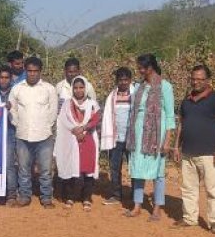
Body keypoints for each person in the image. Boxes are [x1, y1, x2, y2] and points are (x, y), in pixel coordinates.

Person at [172, 65, 215, 233]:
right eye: (193, 78)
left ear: (208, 80)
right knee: (188, 188)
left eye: (200, 79)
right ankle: (189, 218)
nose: (195, 82)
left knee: (213, 189)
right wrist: (177, 146)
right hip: (188, 153)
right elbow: (181, 125)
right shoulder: (186, 101)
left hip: (210, 154)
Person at [124, 54, 175, 221]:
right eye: (138, 67)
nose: (139, 70)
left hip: (156, 135)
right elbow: (133, 112)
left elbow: (169, 115)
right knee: (137, 169)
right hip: (138, 134)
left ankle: (157, 207)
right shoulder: (139, 87)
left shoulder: (165, 86)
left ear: (151, 67)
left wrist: (167, 139)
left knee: (158, 171)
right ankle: (137, 205)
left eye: (142, 68)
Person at [8, 57, 58, 208]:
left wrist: (46, 127)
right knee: (23, 169)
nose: (32, 74)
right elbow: (12, 110)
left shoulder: (49, 89)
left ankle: (46, 197)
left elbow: (53, 112)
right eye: (29, 71)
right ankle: (24, 196)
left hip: (44, 136)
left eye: (35, 71)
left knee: (45, 169)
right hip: (23, 135)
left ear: (40, 72)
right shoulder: (17, 89)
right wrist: (19, 125)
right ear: (25, 71)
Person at [55, 76, 101, 211]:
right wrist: (74, 129)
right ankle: (70, 197)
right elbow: (62, 120)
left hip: (88, 141)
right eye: (75, 87)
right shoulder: (66, 104)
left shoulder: (92, 104)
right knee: (71, 167)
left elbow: (95, 119)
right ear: (72, 89)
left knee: (87, 170)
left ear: (86, 88)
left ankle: (86, 198)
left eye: (81, 87)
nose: (78, 90)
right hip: (71, 140)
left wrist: (84, 129)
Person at [101, 67, 137, 205]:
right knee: (114, 167)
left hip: (131, 139)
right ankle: (116, 195)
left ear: (130, 80)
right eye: (120, 80)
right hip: (116, 139)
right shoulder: (112, 96)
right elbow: (108, 117)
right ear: (117, 81)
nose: (123, 82)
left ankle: (135, 195)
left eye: (126, 80)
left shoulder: (135, 95)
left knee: (133, 167)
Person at [0, 66, 19, 206]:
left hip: (10, 130)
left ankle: (11, 193)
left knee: (9, 163)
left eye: (6, 77)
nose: (4, 80)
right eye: (1, 77)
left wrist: (12, 109)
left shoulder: (16, 92)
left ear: (11, 79)